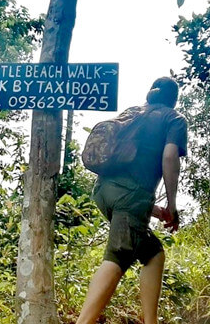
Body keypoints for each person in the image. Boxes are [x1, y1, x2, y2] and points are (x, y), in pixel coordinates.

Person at [76, 77, 187, 324]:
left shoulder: (133, 113)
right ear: (173, 99)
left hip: (103, 192)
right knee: (119, 254)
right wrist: (172, 204)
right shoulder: (173, 119)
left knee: (153, 253)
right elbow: (169, 157)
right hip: (129, 197)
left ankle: (150, 321)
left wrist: (155, 210)